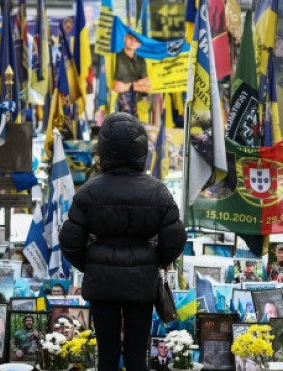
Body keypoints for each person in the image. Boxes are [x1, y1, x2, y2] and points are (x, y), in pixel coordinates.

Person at [59, 113, 187, 371]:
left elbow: (70, 241)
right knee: (137, 355)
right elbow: (175, 239)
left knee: (106, 355)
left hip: (102, 283)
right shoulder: (157, 191)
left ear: (104, 149)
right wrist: (154, 260)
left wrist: (93, 263)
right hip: (141, 283)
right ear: (141, 149)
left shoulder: (90, 190)